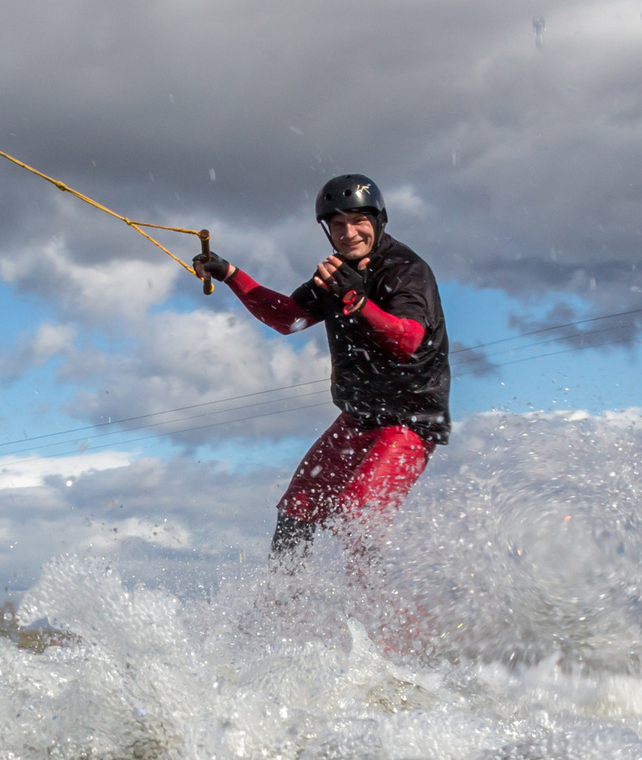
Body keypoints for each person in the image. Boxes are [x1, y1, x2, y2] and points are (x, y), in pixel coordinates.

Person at [193, 174, 450, 558]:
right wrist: (230, 274)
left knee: (357, 518)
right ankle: (283, 597)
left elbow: (406, 340)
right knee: (295, 513)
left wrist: (358, 302)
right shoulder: (334, 274)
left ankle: (382, 599)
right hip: (358, 418)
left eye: (358, 221)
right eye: (338, 225)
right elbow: (288, 319)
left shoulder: (406, 270)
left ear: (379, 220)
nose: (348, 233)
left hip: (409, 422)